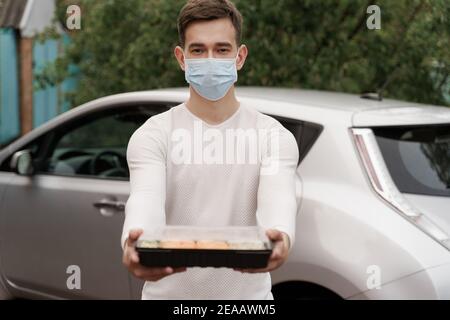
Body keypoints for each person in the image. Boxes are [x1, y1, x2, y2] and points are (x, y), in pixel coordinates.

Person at [121, 0, 299, 300]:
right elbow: (145, 199)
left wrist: (282, 236)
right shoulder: (153, 135)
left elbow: (279, 199)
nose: (210, 59)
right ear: (182, 58)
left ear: (240, 57)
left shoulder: (273, 136)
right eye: (198, 50)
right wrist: (133, 241)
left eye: (222, 49)